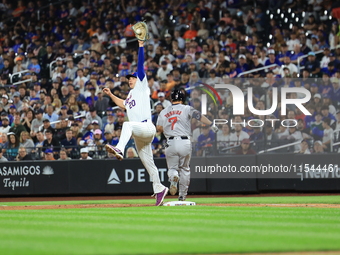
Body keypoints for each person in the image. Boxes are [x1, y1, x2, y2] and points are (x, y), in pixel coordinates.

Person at [103, 39, 168, 206]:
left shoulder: (141, 86)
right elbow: (123, 104)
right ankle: (159, 188)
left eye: (132, 78)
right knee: (148, 163)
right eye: (129, 79)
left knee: (127, 125)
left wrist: (140, 46)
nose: (130, 80)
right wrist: (111, 95)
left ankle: (120, 148)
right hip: (140, 135)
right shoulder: (131, 95)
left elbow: (140, 67)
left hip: (146, 127)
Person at [156, 90, 218, 201]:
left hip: (170, 142)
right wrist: (211, 124)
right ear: (182, 99)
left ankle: (173, 177)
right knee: (184, 168)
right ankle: (182, 196)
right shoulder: (186, 108)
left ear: (171, 100)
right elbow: (198, 116)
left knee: (172, 168)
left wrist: (169, 128)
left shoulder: (163, 111)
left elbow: (159, 129)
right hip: (184, 141)